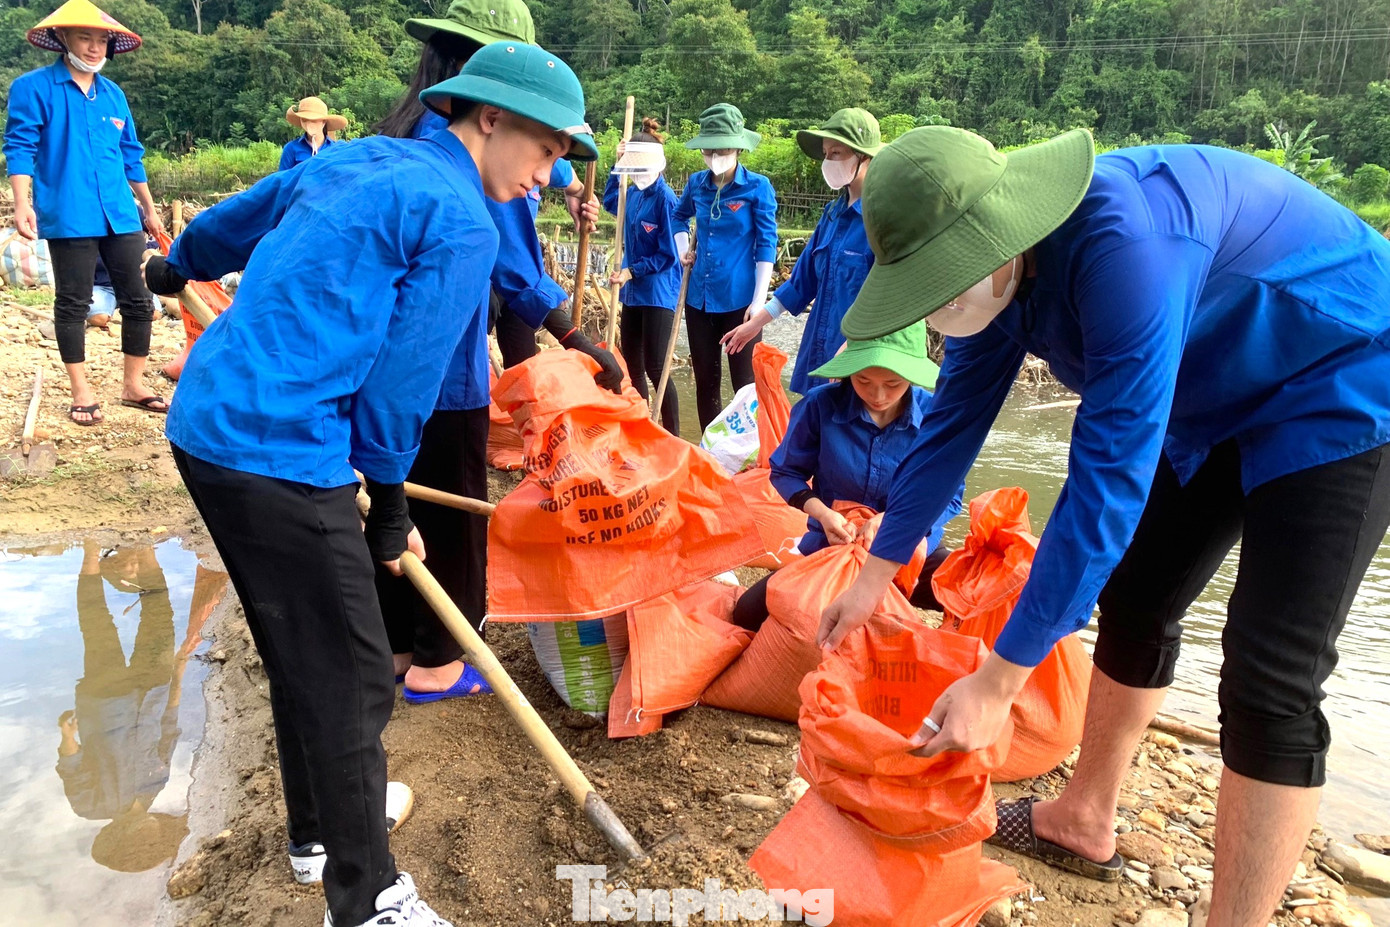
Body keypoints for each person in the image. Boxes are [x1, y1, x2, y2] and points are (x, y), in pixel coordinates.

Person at [817, 129, 1390, 927]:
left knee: (1272, 677)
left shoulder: (1128, 248)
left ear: (1001, 237)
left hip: (1343, 369)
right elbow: (951, 429)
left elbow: (1105, 483)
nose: (943, 301)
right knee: (1136, 598)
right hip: (1209, 389)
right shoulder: (997, 285)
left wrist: (1002, 678)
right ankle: (1084, 818)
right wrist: (877, 571)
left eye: (947, 281)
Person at [141, 41, 598, 927]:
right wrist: (388, 503)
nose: (549, 174)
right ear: (488, 118)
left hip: (205, 425)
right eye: (544, 149)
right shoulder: (463, 221)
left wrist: (179, 259)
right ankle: (370, 897)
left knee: (296, 642)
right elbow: (401, 383)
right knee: (351, 665)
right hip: (278, 446)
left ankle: (317, 834)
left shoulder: (359, 158)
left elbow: (242, 216)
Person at [371, 0, 612, 704]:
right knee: (450, 510)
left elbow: (552, 178)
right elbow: (505, 253)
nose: (543, 169)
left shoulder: (411, 126)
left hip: (396, 368)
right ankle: (441, 659)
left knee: (396, 507)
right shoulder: (471, 151)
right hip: (442, 369)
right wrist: (572, 331)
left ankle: (398, 646)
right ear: (492, 103)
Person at [731, 321, 960, 630]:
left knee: (976, 593)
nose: (878, 395)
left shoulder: (936, 417)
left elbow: (949, 494)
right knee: (747, 613)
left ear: (911, 375)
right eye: (863, 380)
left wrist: (893, 523)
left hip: (908, 552)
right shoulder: (820, 406)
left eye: (892, 383)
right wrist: (823, 514)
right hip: (834, 546)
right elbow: (786, 472)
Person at [3, 0, 168, 426]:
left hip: (120, 212)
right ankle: (81, 389)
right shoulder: (34, 88)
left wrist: (149, 209)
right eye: (84, 38)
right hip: (70, 211)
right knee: (74, 300)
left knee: (138, 297)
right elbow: (21, 148)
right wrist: (22, 203)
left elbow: (131, 156)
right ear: (62, 39)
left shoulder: (114, 95)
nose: (94, 48)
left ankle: (133, 385)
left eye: (101, 40)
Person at [722, 108, 883, 395]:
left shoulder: (881, 220)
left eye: (837, 153)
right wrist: (753, 324)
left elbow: (890, 299)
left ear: (865, 157)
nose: (828, 160)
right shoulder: (832, 214)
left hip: (860, 360)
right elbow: (801, 283)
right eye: (826, 153)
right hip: (819, 349)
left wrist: (853, 349)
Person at [673, 103, 778, 431]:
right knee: (705, 381)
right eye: (710, 148)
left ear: (738, 147)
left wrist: (759, 301)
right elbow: (678, 217)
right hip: (698, 300)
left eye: (723, 148)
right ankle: (711, 452)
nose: (716, 154)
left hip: (740, 302)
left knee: (745, 386)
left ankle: (748, 457)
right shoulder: (696, 184)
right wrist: (681, 250)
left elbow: (766, 244)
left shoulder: (756, 187)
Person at [604, 118, 683, 433]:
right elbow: (613, 202)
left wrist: (632, 271)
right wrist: (615, 165)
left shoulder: (667, 201)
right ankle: (640, 425)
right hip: (632, 291)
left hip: (658, 292)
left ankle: (673, 434)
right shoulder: (633, 191)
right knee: (632, 363)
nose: (636, 174)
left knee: (656, 365)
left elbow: (669, 254)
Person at [278, 97, 346, 170]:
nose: (309, 123)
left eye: (314, 120)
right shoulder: (291, 148)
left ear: (323, 122)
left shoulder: (336, 149)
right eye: (305, 120)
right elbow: (283, 179)